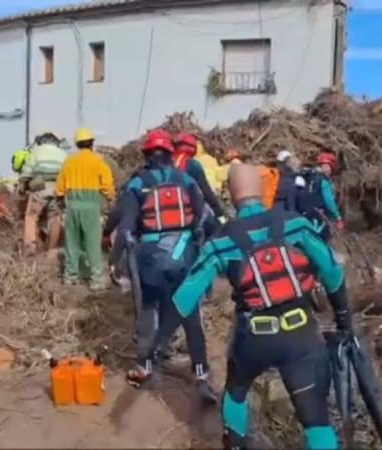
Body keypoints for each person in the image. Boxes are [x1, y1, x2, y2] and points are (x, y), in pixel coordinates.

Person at [136, 163, 350, 450]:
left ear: (232, 196)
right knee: (316, 421)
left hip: (253, 339)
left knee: (236, 393)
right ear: (262, 190)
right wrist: (344, 320)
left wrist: (158, 342)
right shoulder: (295, 223)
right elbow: (332, 272)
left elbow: (186, 295)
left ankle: (235, 443)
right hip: (300, 334)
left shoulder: (222, 240)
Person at [118, 129, 216, 403]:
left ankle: (144, 367)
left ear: (147, 155)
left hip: (150, 259)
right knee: (190, 315)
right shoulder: (186, 180)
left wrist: (118, 261)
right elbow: (203, 219)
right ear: (171, 155)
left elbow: (126, 224)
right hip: (185, 257)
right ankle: (201, 375)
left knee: (149, 310)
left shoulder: (137, 184)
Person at [55, 128, 115, 290]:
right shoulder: (98, 161)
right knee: (93, 244)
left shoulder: (69, 162)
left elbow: (59, 188)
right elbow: (107, 186)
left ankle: (70, 277)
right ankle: (96, 280)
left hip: (73, 206)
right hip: (91, 207)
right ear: (92, 144)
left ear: (77, 144)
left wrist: (60, 201)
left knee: (72, 243)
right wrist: (111, 199)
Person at [19, 132, 68, 254]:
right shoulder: (63, 154)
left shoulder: (37, 151)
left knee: (31, 216)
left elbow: (27, 171)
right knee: (54, 218)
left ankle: (30, 248)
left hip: (40, 187)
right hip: (58, 189)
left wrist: (22, 183)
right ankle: (52, 250)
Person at [173, 133, 228, 236]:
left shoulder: (167, 163)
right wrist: (219, 212)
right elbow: (206, 192)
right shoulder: (193, 165)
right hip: (187, 213)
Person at [292, 152, 344, 242]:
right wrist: (338, 218)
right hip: (318, 215)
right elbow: (329, 201)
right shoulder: (323, 180)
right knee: (323, 239)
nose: (329, 170)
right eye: (329, 167)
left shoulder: (309, 177)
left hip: (303, 213)